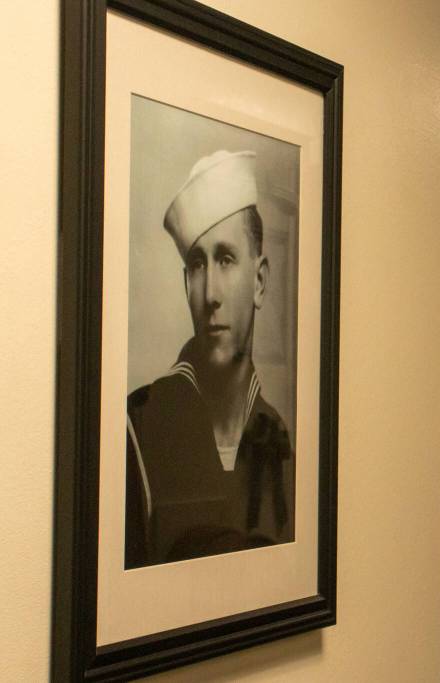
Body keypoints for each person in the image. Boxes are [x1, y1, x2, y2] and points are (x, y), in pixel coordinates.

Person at [125, 150, 294, 569]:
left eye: (226, 258)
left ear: (259, 282)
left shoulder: (276, 436)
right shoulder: (139, 427)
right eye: (198, 264)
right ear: (186, 284)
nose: (211, 293)